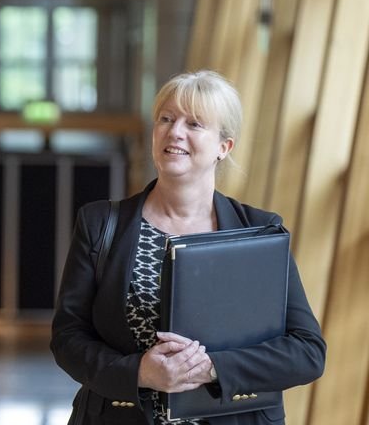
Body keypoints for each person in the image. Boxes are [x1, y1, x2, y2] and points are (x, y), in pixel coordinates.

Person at [50, 70, 325, 425]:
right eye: (166, 118)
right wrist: (139, 373)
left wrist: (211, 368)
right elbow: (68, 338)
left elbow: (307, 351)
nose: (174, 131)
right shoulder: (101, 224)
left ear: (224, 147)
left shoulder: (261, 232)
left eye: (194, 124)